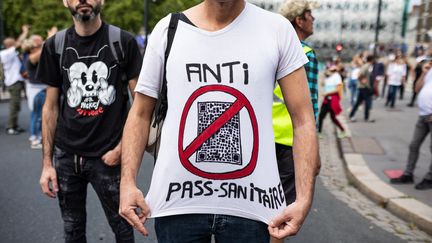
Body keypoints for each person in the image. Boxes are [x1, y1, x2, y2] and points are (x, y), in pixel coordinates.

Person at [119, 0, 320, 242]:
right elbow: (140, 112)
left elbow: (303, 120)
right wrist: (127, 183)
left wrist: (304, 198)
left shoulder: (276, 30)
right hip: (179, 204)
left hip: (253, 207)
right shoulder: (168, 30)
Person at [36, 0, 142, 242]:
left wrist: (122, 148)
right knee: (72, 231)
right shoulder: (55, 45)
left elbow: (142, 107)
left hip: (109, 157)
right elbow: (50, 107)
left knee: (124, 228)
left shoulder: (122, 42)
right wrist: (47, 164)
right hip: (66, 157)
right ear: (65, 2)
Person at [390, 60, 432, 190]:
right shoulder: (429, 72)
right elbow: (417, 88)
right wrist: (424, 74)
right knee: (414, 145)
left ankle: (430, 178)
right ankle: (408, 174)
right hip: (423, 115)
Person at [0, 25, 29, 135]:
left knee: (16, 105)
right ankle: (10, 127)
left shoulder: (11, 53)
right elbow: (19, 42)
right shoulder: (6, 53)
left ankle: (14, 125)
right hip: (14, 82)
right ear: (10, 44)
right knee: (14, 105)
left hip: (16, 81)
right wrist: (25, 32)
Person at [318, 65, 345, 135]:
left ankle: (343, 130)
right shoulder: (328, 77)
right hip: (326, 99)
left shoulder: (337, 76)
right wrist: (323, 76)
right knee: (321, 116)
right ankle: (319, 132)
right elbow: (322, 84)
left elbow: (338, 89)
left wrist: (327, 93)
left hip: (332, 99)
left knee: (333, 117)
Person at [349, 55, 376, 123]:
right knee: (367, 103)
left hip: (364, 87)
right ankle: (366, 117)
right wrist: (362, 81)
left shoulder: (368, 66)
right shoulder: (366, 66)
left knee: (358, 102)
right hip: (364, 87)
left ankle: (352, 115)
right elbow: (359, 74)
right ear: (372, 60)